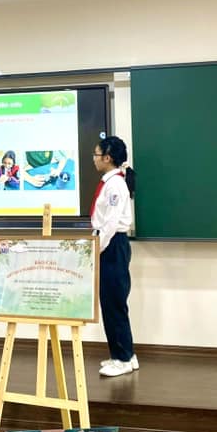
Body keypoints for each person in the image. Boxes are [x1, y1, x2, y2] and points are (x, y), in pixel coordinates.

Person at [90, 135, 137, 378]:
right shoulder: (110, 182)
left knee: (114, 302)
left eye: (97, 154)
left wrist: (96, 248)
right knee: (111, 302)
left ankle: (122, 359)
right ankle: (125, 354)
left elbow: (109, 224)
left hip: (112, 245)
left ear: (107, 157)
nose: (94, 159)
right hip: (109, 244)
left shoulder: (115, 184)